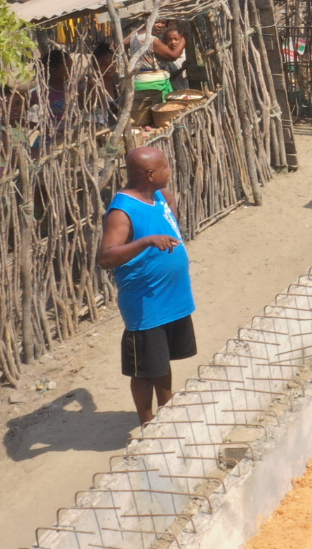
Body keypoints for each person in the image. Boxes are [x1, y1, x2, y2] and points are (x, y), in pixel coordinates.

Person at [97, 146, 195, 424]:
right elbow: (106, 257)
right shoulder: (122, 211)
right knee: (143, 369)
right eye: (165, 167)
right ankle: (147, 422)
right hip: (145, 303)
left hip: (172, 296)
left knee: (161, 361)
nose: (170, 171)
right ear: (150, 174)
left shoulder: (161, 196)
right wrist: (145, 241)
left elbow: (170, 219)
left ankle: (167, 407)